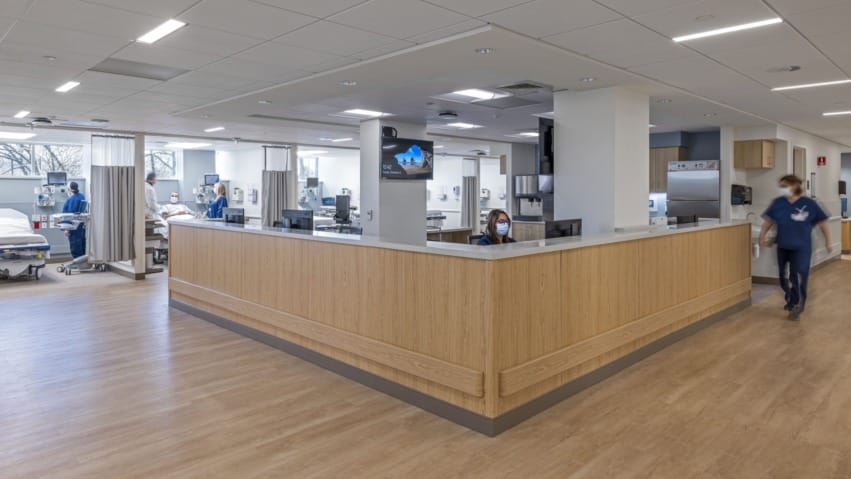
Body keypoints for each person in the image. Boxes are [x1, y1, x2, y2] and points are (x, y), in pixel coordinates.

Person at [759, 174, 832, 320]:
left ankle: (798, 304)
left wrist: (828, 241)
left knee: (798, 276)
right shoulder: (778, 203)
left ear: (795, 185)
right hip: (783, 245)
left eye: (785, 186)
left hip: (801, 247)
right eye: (781, 186)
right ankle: (791, 300)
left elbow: (823, 223)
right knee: (782, 276)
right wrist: (762, 236)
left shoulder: (809, 204)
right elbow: (769, 221)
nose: (782, 189)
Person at [62, 181, 87, 258]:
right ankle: (83, 261)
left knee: (75, 244)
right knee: (82, 243)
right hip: (81, 225)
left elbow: (69, 214)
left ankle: (78, 263)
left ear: (69, 189)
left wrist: (66, 228)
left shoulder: (71, 200)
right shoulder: (82, 196)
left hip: (73, 227)